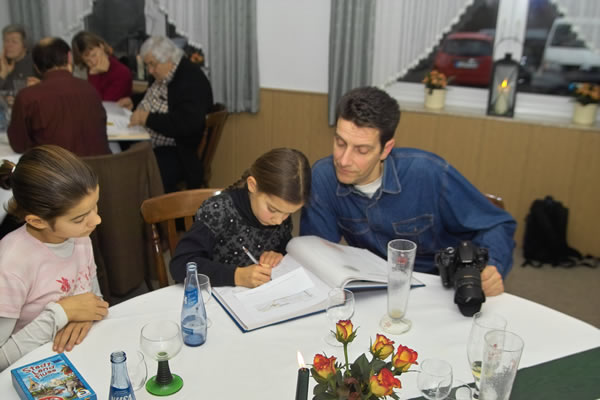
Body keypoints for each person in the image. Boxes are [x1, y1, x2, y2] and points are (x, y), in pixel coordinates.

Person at [300, 87, 516, 297]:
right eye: (340, 142)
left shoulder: (429, 172)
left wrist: (493, 266)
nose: (344, 160)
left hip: (439, 287)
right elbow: (315, 253)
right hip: (373, 287)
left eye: (362, 150)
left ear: (385, 149)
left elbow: (498, 224)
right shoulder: (323, 177)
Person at [0, 145, 109, 371]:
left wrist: (85, 315)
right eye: (79, 218)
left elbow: (94, 299)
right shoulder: (12, 264)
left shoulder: (78, 236)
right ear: (37, 221)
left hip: (79, 356)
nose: (96, 220)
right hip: (32, 370)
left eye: (95, 206)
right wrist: (62, 313)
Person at [170, 148, 311, 288]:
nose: (279, 221)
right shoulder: (219, 211)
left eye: (288, 213)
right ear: (253, 186)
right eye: (272, 209)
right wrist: (236, 276)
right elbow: (180, 265)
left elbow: (284, 246)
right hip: (213, 295)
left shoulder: (279, 214)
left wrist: (278, 254)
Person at [117, 36, 213, 193]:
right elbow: (154, 96)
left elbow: (187, 123)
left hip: (178, 152)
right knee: (117, 153)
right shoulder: (164, 73)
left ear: (168, 59)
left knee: (129, 165)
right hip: (150, 141)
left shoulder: (190, 80)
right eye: (147, 65)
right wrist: (133, 101)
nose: (150, 70)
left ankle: (148, 205)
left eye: (152, 64)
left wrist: (147, 118)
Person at [7, 37, 110, 156]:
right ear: (69, 57)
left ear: (36, 67)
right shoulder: (89, 89)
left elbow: (19, 145)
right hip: (101, 165)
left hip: (55, 167)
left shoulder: (27, 97)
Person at [71, 31, 132, 101]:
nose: (93, 62)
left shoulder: (122, 73)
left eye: (94, 55)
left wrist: (94, 75)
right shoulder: (92, 70)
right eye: (87, 61)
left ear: (101, 46)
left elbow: (100, 104)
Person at [0, 25, 35, 92]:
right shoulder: (1, 63)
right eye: (6, 41)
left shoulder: (35, 64)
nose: (8, 45)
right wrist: (3, 74)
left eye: (14, 41)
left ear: (25, 45)